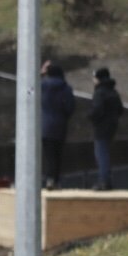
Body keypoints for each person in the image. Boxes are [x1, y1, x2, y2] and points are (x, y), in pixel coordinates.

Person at [39, 60, 75, 188]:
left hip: (45, 125)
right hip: (60, 125)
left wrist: (41, 73)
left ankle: (49, 179)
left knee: (49, 155)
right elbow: (70, 107)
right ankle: (56, 180)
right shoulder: (66, 88)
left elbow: (28, 86)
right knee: (58, 154)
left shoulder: (42, 86)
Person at [88, 67, 125, 190]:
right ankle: (105, 180)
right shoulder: (113, 92)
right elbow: (120, 109)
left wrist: (91, 117)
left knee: (101, 154)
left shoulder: (99, 92)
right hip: (112, 126)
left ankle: (104, 181)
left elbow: (97, 110)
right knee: (105, 153)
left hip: (101, 127)